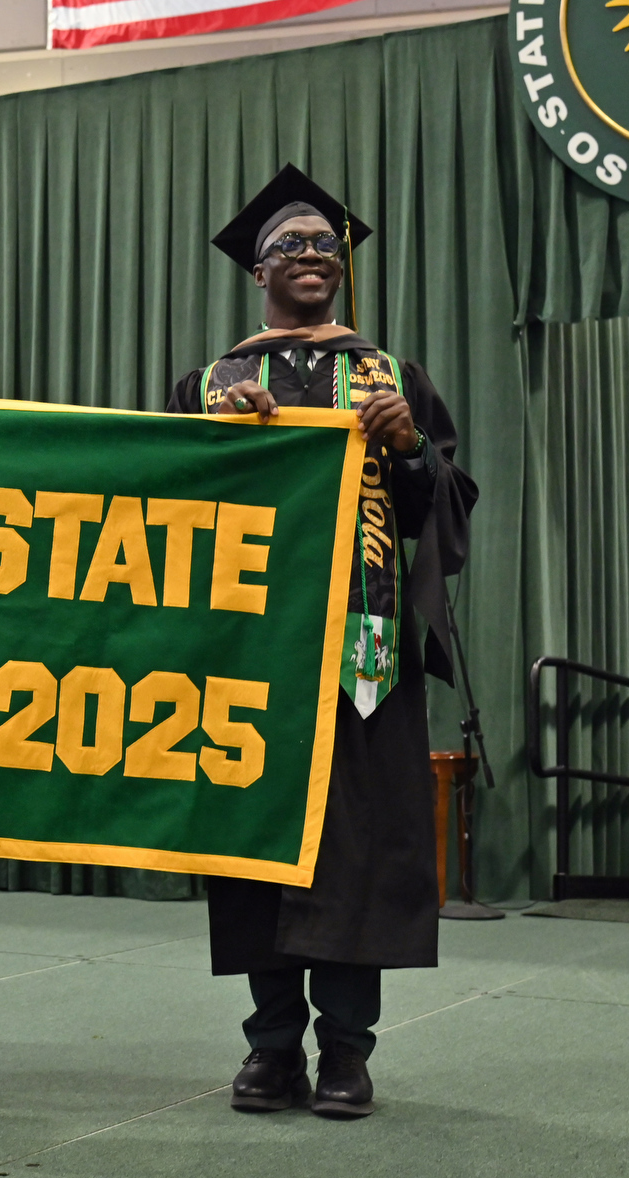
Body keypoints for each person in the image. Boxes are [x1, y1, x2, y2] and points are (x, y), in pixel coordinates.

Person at [167, 165, 476, 1120]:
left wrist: (410, 449)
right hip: (248, 652)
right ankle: (270, 1045)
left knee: (358, 848)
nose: (312, 255)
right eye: (290, 245)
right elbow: (161, 509)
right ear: (256, 269)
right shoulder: (211, 385)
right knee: (256, 843)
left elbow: (443, 512)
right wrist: (220, 446)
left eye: (325, 245)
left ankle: (346, 1047)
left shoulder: (391, 379)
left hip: (360, 650)